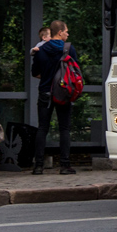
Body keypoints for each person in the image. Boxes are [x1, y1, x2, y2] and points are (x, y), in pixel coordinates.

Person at [31, 20, 77, 175]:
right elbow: (75, 72)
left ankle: (38, 166)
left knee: (42, 128)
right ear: (59, 32)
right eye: (66, 31)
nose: (67, 34)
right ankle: (64, 165)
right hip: (63, 93)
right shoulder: (69, 49)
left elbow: (34, 72)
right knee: (64, 128)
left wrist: (47, 78)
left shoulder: (41, 50)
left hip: (45, 92)